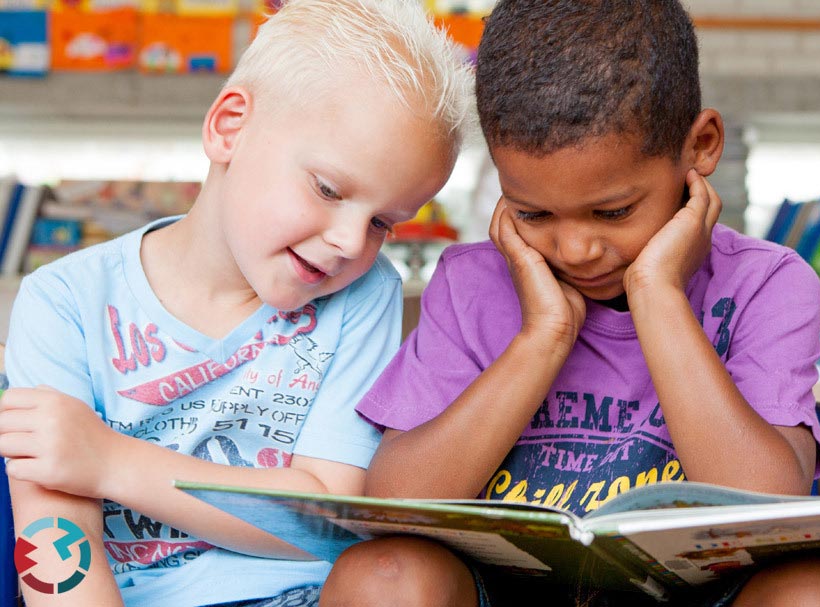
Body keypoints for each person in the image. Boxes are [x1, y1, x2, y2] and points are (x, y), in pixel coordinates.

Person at [318, 1, 820, 606]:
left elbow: (765, 503)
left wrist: (658, 295)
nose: (576, 249)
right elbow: (398, 508)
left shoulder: (767, 283)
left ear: (700, 146)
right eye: (532, 212)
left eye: (614, 211)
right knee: (383, 574)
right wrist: (541, 338)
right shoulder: (471, 283)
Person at [0, 1, 471, 605]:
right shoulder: (63, 300)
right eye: (328, 189)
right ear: (229, 128)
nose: (353, 242)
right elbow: (54, 550)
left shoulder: (363, 291)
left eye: (383, 221)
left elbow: (326, 521)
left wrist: (111, 462)